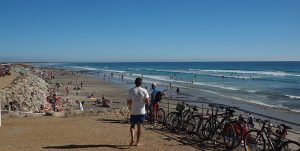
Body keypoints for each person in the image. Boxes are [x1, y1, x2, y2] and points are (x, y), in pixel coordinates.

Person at [127, 77, 150, 146]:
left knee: (132, 126)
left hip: (133, 111)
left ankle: (132, 138)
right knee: (139, 127)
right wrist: (143, 101)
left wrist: (130, 107)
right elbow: (148, 102)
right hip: (141, 112)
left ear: (135, 83)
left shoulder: (131, 90)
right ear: (141, 83)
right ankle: (137, 142)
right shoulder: (144, 91)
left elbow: (129, 101)